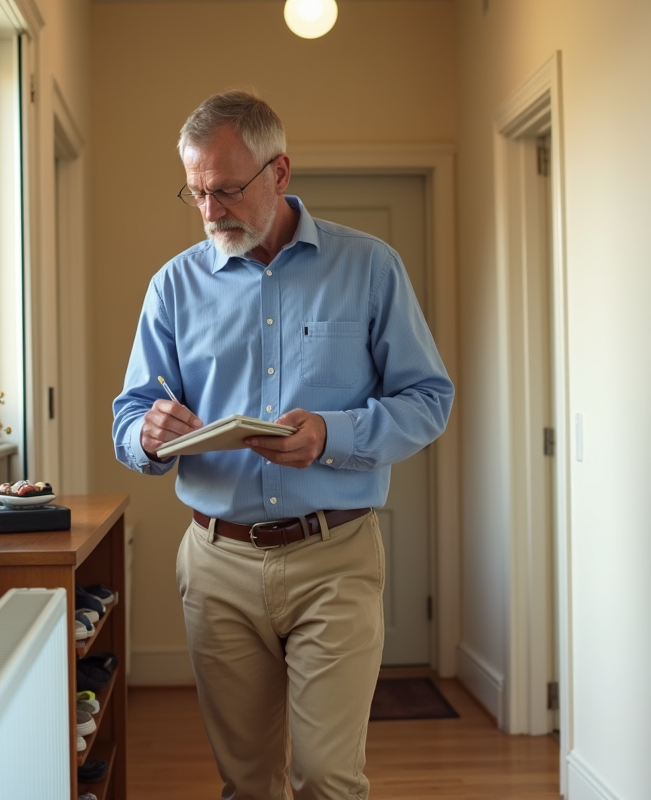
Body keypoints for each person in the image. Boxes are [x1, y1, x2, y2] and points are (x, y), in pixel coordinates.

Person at [111, 90, 454, 800]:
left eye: (228, 190)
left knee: (328, 777)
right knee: (248, 784)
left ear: (280, 173)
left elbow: (429, 401)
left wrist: (334, 433)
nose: (211, 211)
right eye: (197, 192)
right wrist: (147, 435)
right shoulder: (172, 289)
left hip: (336, 558)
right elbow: (130, 419)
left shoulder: (370, 267)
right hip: (217, 564)